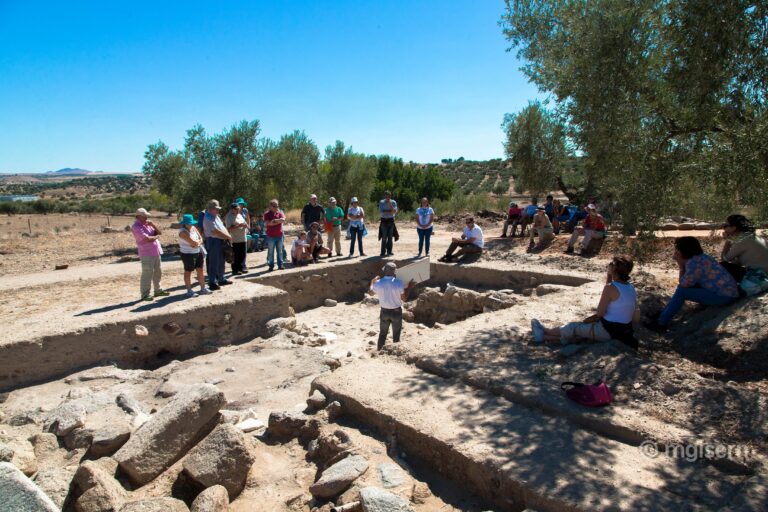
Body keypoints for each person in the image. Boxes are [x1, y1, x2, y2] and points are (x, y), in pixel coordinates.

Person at [531, 255, 639, 349]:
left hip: (608, 331)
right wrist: (610, 276)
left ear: (615, 269)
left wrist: (609, 275)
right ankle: (544, 337)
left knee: (573, 327)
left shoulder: (610, 288)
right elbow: (634, 316)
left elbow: (600, 313)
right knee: (582, 333)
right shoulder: (631, 288)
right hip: (625, 332)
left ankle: (546, 331)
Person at [649, 237, 739, 329]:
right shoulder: (703, 257)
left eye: (677, 249)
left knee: (681, 292)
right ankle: (663, 314)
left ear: (683, 250)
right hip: (727, 293)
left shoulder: (693, 264)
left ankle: (661, 322)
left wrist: (680, 265)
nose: (676, 251)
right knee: (682, 290)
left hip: (723, 296)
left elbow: (683, 284)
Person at [369, 262, 416, 350]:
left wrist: (372, 282)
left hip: (384, 311)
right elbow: (404, 298)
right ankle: (395, 351)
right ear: (395, 272)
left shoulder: (378, 283)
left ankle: (379, 350)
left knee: (383, 333)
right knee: (396, 334)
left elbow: (371, 293)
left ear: (385, 271)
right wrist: (409, 287)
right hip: (396, 312)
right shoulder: (398, 283)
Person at [131, 208, 169, 301]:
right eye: (145, 216)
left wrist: (153, 225)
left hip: (156, 251)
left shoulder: (148, 224)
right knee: (147, 274)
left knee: (157, 272)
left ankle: (157, 290)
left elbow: (159, 232)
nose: (146, 218)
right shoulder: (136, 227)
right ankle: (145, 294)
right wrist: (156, 237)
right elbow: (147, 238)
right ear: (139, 216)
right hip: (146, 253)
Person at [720, 214, 768, 283]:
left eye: (725, 226)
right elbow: (737, 261)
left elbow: (724, 259)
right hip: (763, 273)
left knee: (723, 266)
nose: (723, 228)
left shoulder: (741, 240)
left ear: (734, 227)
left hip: (759, 275)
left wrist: (727, 241)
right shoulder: (751, 236)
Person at [178, 214, 211, 297]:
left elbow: (200, 239)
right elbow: (193, 243)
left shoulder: (193, 228)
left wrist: (197, 243)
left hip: (197, 252)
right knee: (188, 271)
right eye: (188, 223)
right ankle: (189, 290)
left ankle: (203, 288)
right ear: (184, 224)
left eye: (191, 223)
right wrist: (196, 243)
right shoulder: (182, 232)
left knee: (200, 269)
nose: (190, 225)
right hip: (187, 254)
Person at [203, 200, 233, 290]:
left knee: (221, 260)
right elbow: (215, 231)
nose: (217, 210)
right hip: (213, 240)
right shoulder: (208, 218)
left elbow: (222, 227)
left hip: (220, 240)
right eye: (216, 209)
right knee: (214, 262)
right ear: (210, 209)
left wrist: (227, 236)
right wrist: (228, 236)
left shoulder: (216, 216)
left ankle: (221, 279)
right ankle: (212, 282)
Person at [225, 202, 248, 275]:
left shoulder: (240, 215)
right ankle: (235, 270)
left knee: (242, 254)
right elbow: (228, 228)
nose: (238, 210)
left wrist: (245, 225)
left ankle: (241, 267)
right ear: (232, 209)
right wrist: (238, 226)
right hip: (235, 239)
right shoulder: (229, 217)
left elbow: (245, 223)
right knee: (236, 255)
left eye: (238, 209)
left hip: (242, 237)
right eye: (236, 209)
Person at [264, 199, 286, 271]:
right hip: (270, 236)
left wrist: (274, 221)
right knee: (271, 252)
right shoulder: (266, 214)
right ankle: (271, 265)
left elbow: (283, 219)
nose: (276, 207)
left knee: (280, 251)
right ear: (270, 206)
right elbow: (268, 223)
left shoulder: (279, 213)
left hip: (279, 235)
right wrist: (278, 221)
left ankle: (280, 265)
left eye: (277, 206)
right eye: (274, 206)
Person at [378, 191, 398, 257]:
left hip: (391, 221)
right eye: (386, 196)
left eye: (388, 196)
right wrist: (390, 211)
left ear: (390, 196)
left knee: (390, 237)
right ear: (384, 196)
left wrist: (390, 205)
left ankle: (389, 251)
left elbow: (394, 212)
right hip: (384, 221)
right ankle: (383, 252)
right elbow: (381, 212)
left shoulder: (393, 202)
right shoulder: (381, 202)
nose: (387, 197)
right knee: (384, 237)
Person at [234, 197, 250, 270]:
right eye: (239, 204)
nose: (241, 205)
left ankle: (243, 265)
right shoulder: (233, 212)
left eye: (242, 204)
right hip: (236, 233)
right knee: (237, 250)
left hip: (244, 231)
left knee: (244, 249)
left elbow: (248, 218)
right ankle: (237, 266)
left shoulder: (245, 211)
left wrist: (248, 226)